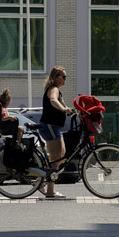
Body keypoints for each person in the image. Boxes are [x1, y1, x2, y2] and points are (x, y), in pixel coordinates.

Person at [37, 66, 70, 199]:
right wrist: (63, 109)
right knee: (57, 157)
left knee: (61, 155)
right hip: (49, 125)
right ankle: (50, 190)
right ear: (55, 77)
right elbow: (53, 100)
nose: (65, 79)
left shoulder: (57, 90)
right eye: (63, 76)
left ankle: (41, 181)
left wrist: (69, 110)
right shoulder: (53, 89)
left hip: (54, 126)